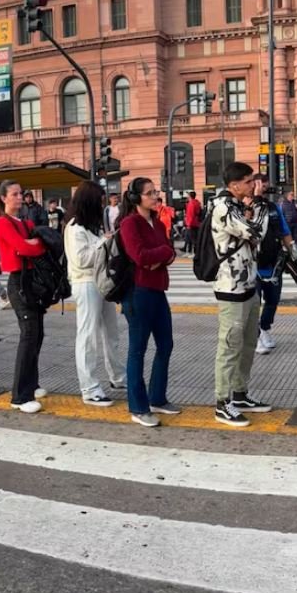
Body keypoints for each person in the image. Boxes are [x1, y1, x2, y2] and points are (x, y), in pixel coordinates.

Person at [207, 162, 270, 426]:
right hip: (230, 287)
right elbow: (256, 232)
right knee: (230, 346)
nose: (253, 185)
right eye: (248, 181)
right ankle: (222, 402)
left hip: (249, 284)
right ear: (234, 185)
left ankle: (240, 394)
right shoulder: (223, 207)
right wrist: (260, 204)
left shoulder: (237, 206)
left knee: (248, 343)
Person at [118, 175, 179, 427]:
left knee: (166, 344)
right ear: (136, 198)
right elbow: (141, 257)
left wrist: (161, 257)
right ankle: (138, 406)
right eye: (150, 193)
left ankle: (157, 398)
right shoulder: (129, 223)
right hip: (138, 292)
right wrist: (162, 254)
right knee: (138, 349)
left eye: (155, 192)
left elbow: (170, 252)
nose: (155, 196)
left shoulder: (158, 223)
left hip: (157, 289)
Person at [64, 181, 124, 409]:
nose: (102, 206)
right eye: (99, 201)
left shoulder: (91, 226)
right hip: (85, 283)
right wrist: (104, 243)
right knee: (88, 335)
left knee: (111, 332)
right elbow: (81, 260)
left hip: (100, 281)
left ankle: (118, 376)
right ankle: (89, 388)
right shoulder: (75, 228)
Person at [0, 181, 50, 413]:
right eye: (15, 194)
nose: (20, 197)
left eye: (21, 193)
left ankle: (32, 384)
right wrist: (31, 244)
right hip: (18, 281)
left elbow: (42, 245)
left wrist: (32, 244)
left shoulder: (26, 223)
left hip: (32, 281)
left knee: (37, 334)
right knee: (28, 334)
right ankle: (19, 396)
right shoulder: (3, 223)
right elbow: (25, 248)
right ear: (3, 198)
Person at [251, 174, 293, 355]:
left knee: (273, 300)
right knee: (254, 303)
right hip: (253, 265)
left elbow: (285, 232)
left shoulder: (274, 208)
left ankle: (265, 328)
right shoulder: (247, 207)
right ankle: (255, 336)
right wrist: (255, 199)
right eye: (261, 186)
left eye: (266, 186)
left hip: (273, 264)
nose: (264, 190)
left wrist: (295, 255)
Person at [183, 190, 203, 256]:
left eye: (188, 195)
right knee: (193, 238)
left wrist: (188, 224)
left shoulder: (191, 203)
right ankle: (192, 252)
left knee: (192, 239)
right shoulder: (197, 202)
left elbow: (190, 214)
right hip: (196, 223)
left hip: (191, 223)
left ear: (189, 196)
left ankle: (194, 253)